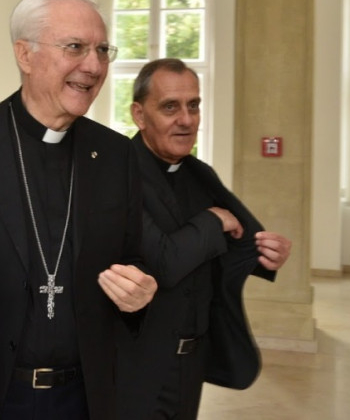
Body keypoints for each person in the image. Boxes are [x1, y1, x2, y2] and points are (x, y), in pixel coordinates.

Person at [0, 0, 158, 420]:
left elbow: (132, 257)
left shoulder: (115, 155)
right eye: (75, 47)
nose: (94, 66)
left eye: (102, 50)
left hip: (84, 398)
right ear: (25, 55)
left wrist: (139, 291)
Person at [116, 58, 293, 419]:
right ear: (139, 115)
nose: (186, 119)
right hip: (137, 364)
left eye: (193, 105)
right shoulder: (118, 173)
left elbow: (243, 239)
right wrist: (212, 221)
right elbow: (164, 263)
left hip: (192, 361)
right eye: (170, 107)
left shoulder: (200, 173)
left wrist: (268, 253)